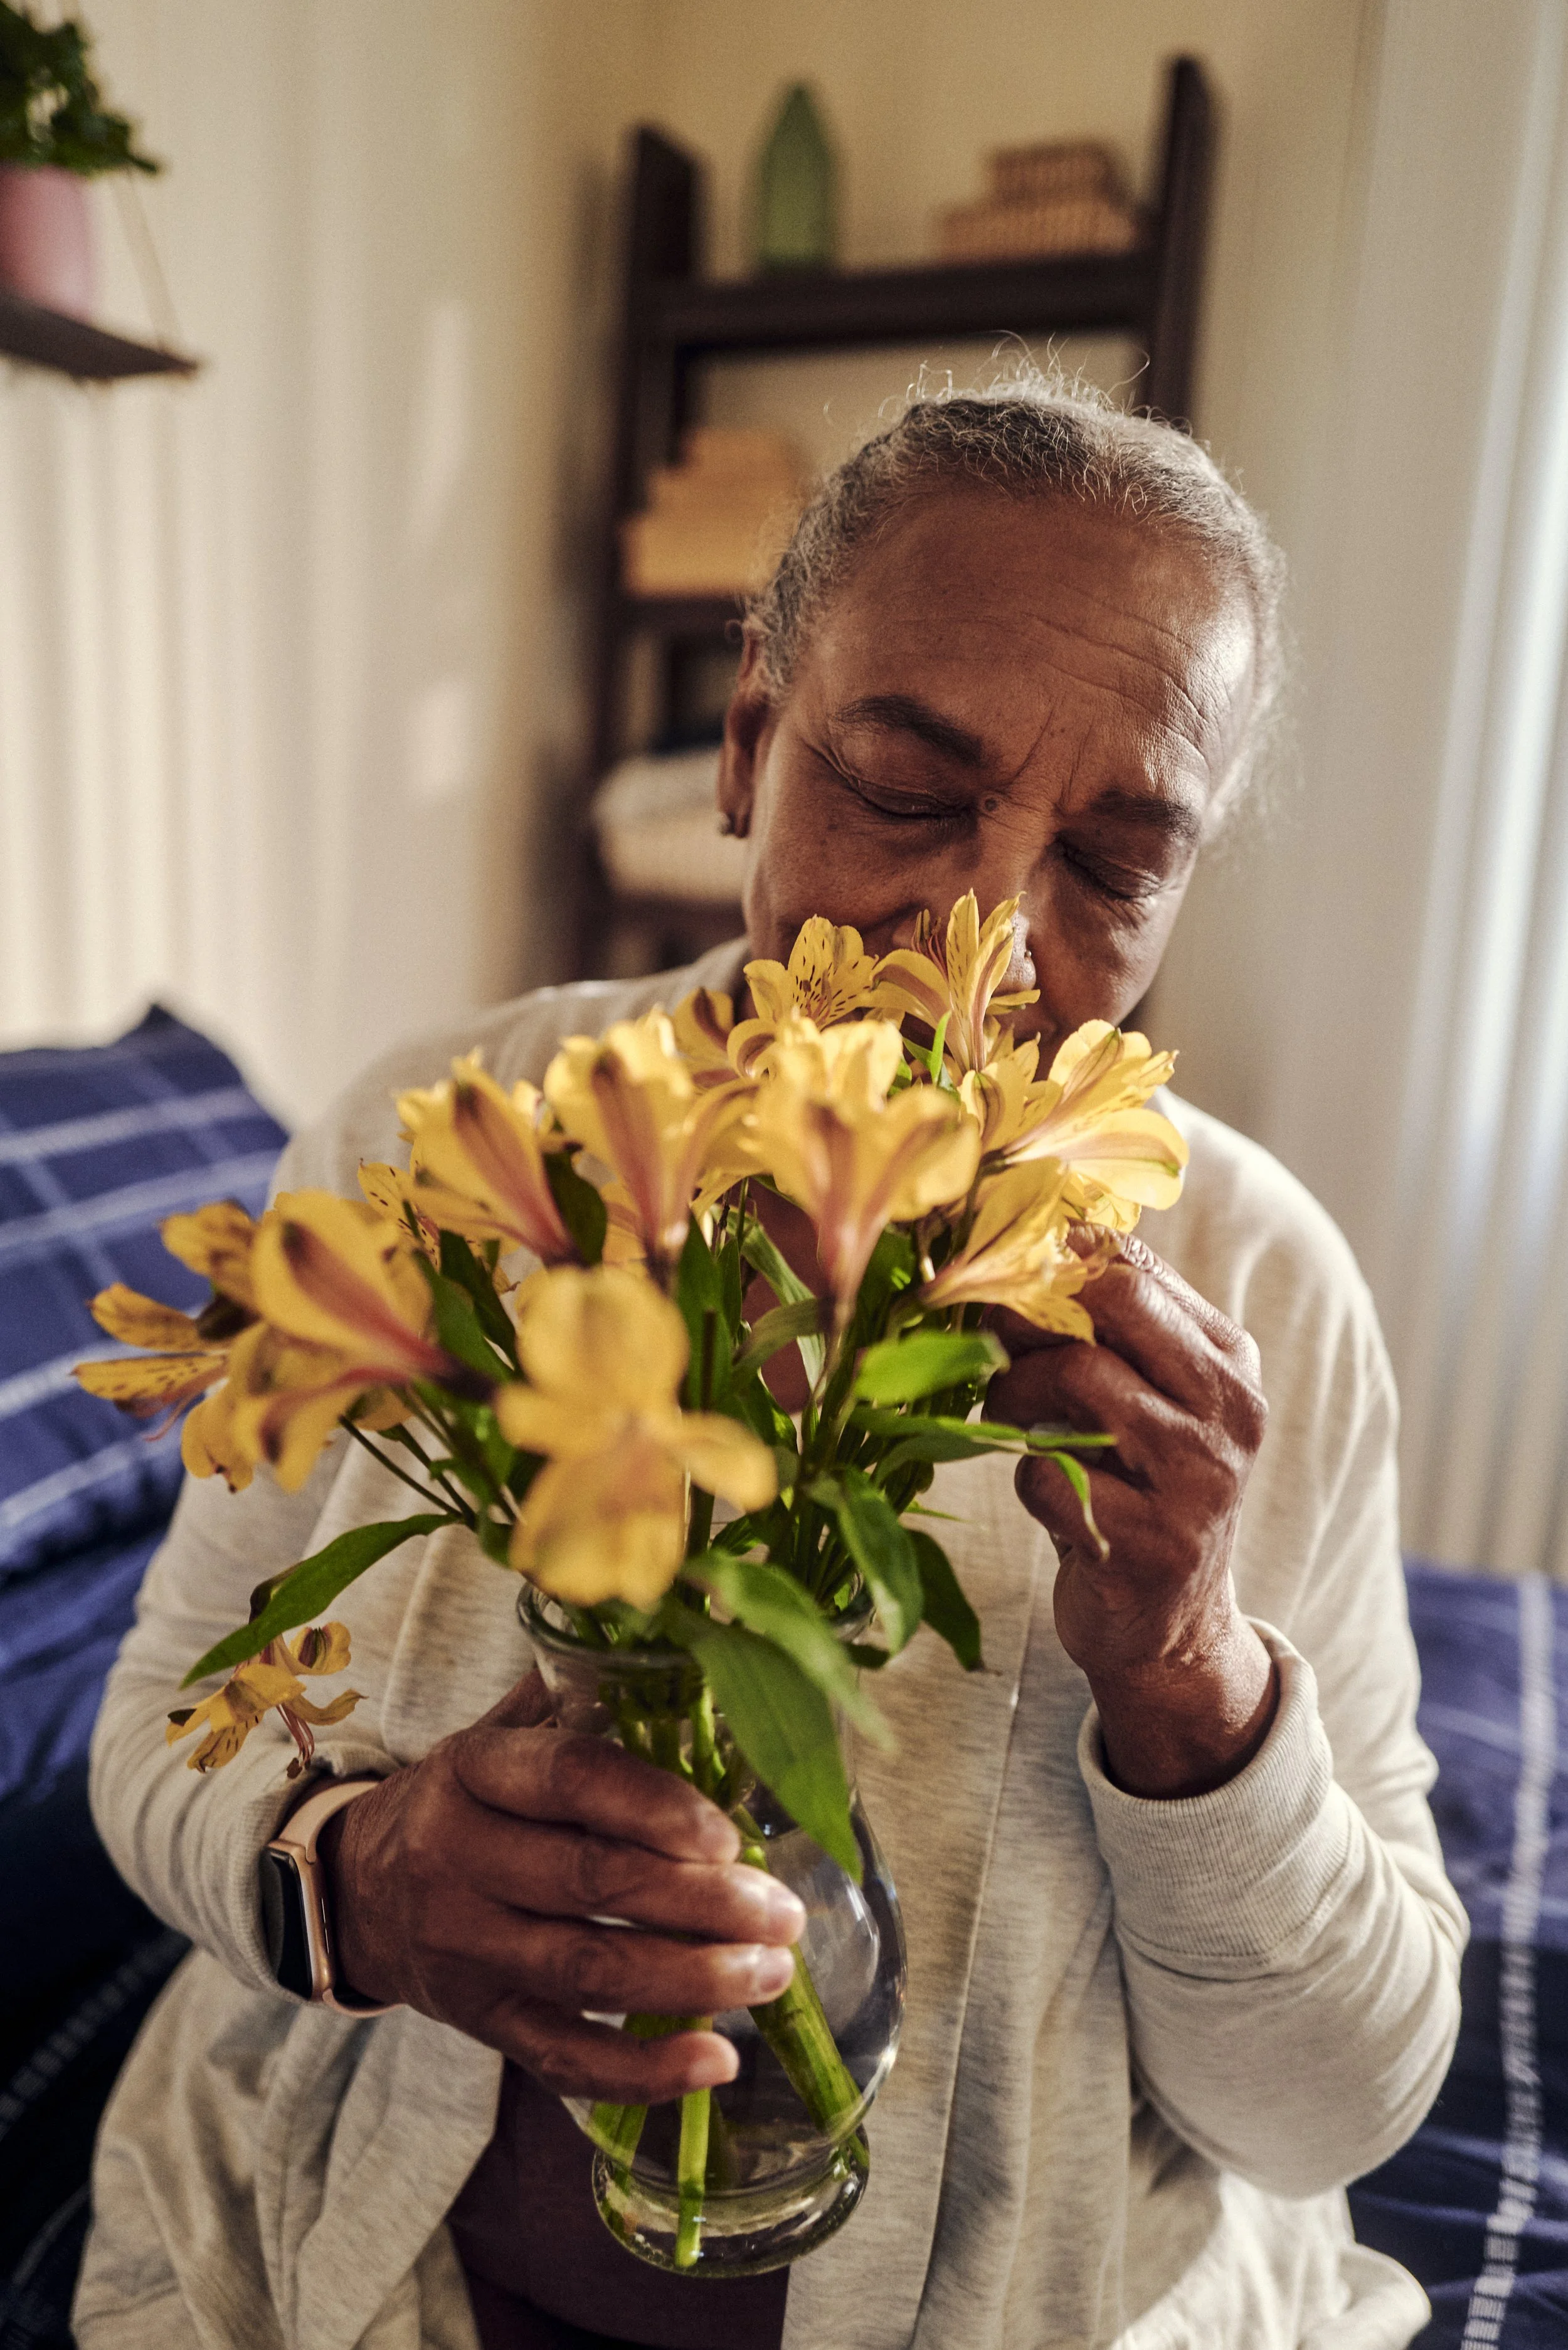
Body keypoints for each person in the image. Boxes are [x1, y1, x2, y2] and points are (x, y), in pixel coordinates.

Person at [73, 376, 1465, 2350]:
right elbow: (164, 1721)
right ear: (746, 742)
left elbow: (1331, 2108)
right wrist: (351, 1878)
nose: (973, 933)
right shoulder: (437, 1136)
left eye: (1114, 863)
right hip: (341, 2274)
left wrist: (1188, 1671)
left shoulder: (1256, 1290)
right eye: (903, 795)